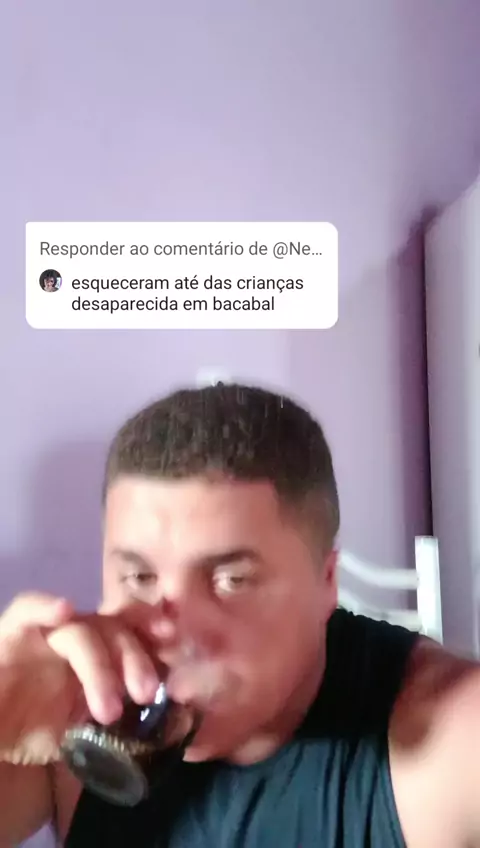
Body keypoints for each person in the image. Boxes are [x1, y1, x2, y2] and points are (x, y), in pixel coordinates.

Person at [0, 384, 478, 847]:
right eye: (140, 577)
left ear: (326, 582)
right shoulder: (66, 720)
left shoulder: (452, 738)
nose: (170, 631)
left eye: (231, 580)